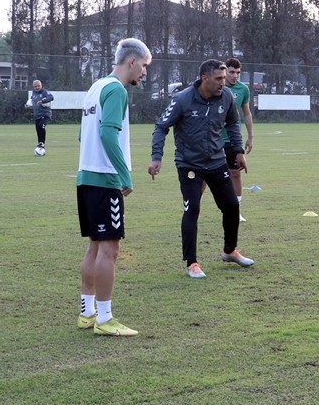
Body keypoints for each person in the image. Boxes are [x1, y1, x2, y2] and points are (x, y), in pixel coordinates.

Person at [148, 59, 254, 279]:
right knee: (192, 209)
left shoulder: (226, 96)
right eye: (218, 78)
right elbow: (161, 127)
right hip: (190, 164)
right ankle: (192, 263)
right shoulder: (182, 99)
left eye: (224, 78)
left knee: (232, 206)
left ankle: (229, 251)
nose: (223, 82)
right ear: (205, 78)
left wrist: (238, 151)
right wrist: (156, 157)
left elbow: (232, 123)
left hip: (216, 161)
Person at [76, 38, 152, 336]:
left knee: (95, 246)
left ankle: (87, 313)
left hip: (86, 177)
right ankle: (105, 319)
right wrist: (124, 175)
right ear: (131, 61)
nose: (144, 72)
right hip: (105, 180)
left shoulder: (95, 87)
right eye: (143, 66)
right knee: (110, 249)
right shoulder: (117, 90)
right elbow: (108, 135)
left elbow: (82, 136)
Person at [223, 57, 255, 221]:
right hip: (212, 139)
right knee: (205, 176)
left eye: (238, 73)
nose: (235, 76)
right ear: (225, 71)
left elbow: (247, 114)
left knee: (235, 173)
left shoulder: (243, 89)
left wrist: (250, 137)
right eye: (231, 72)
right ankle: (193, 210)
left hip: (232, 140)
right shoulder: (216, 86)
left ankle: (236, 211)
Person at [26, 79, 55, 154]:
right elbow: (32, 101)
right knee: (38, 129)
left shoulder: (45, 92)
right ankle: (40, 144)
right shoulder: (34, 93)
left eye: (38, 86)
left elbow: (51, 97)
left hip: (46, 114)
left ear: (41, 85)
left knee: (41, 126)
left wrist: (43, 101)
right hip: (37, 115)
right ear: (33, 87)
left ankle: (42, 143)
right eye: (35, 86)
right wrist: (28, 106)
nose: (37, 87)